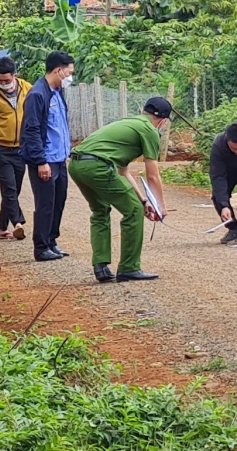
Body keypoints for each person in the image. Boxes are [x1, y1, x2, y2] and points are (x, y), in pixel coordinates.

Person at [68, 97, 172, 283]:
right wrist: (161, 207)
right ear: (163, 121)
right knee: (133, 211)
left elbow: (123, 171)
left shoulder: (129, 123)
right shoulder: (150, 130)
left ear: (144, 111)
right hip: (98, 167)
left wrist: (144, 200)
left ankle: (100, 266)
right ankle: (129, 268)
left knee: (100, 210)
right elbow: (153, 176)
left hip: (77, 165)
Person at [20, 50, 74, 262]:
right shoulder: (37, 94)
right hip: (45, 159)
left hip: (59, 159)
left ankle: (51, 240)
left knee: (58, 200)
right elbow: (31, 130)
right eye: (69, 72)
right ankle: (41, 247)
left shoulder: (57, 92)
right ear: (58, 71)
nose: (71, 77)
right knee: (45, 203)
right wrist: (40, 161)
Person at [0, 57, 31, 241]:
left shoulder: (26, 88)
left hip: (20, 149)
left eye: (6, 80)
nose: (2, 83)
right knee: (10, 188)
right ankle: (18, 223)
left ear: (14, 75)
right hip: (0, 150)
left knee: (13, 189)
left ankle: (1, 229)